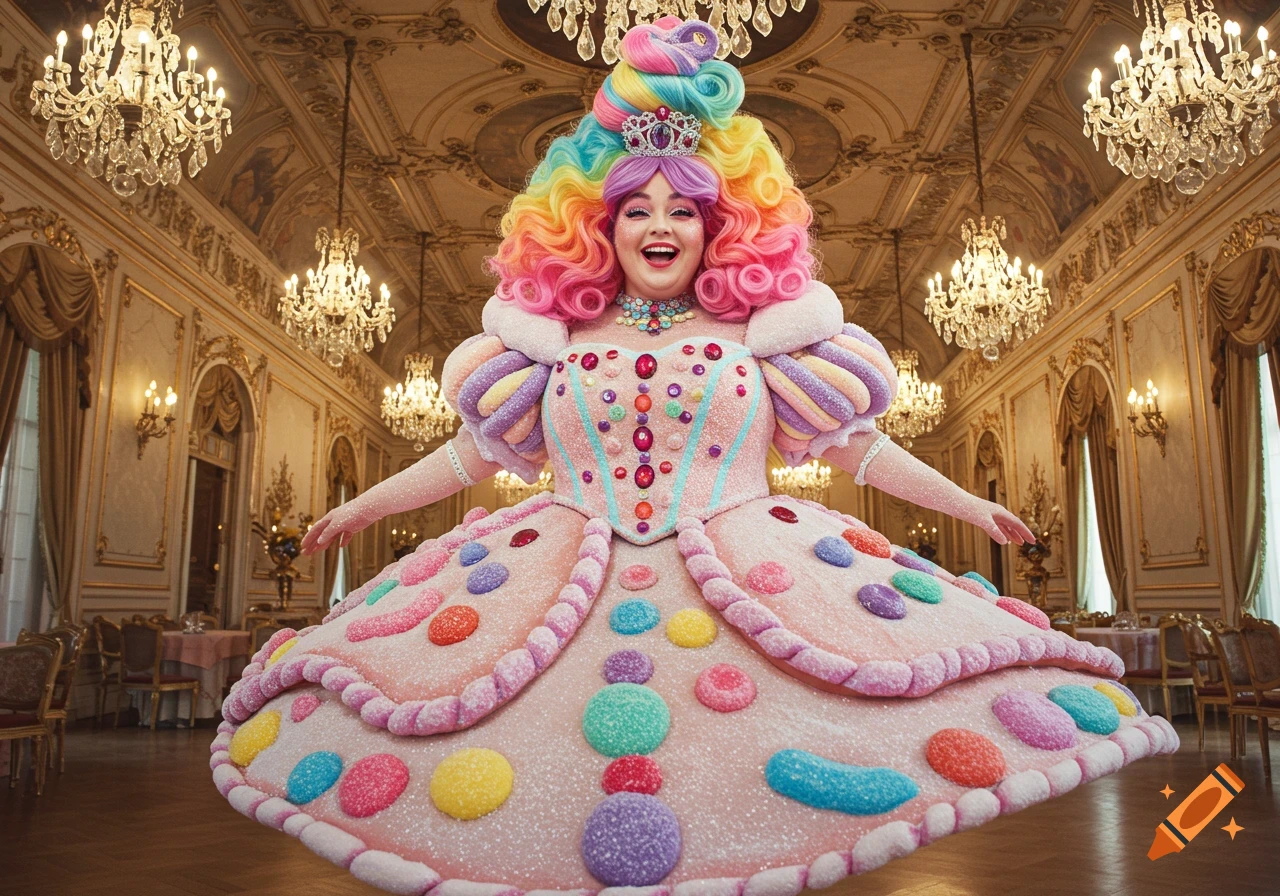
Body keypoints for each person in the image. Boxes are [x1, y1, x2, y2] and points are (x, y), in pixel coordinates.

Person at [212, 19, 1177, 895]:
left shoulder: (768, 341)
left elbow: (861, 446)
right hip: (559, 576)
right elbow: (469, 454)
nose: (660, 227)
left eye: (684, 210)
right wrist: (363, 510)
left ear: (720, 228)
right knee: (556, 789)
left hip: (749, 569)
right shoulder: (553, 349)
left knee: (742, 781)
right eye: (637, 211)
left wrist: (972, 506)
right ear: (601, 228)